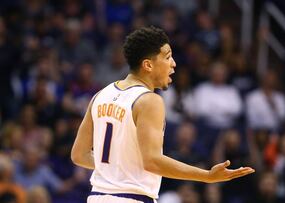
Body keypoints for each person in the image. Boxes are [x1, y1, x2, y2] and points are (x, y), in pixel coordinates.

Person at [71, 26, 255, 203]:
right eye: (167, 57)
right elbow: (152, 161)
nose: (173, 64)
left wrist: (115, 168)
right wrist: (206, 176)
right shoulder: (149, 100)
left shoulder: (101, 95)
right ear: (148, 65)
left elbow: (79, 155)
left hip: (97, 197)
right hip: (131, 197)